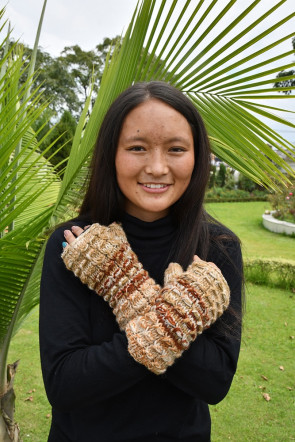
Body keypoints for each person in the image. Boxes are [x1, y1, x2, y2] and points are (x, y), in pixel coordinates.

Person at [40, 81, 243, 442]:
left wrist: (124, 286)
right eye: (137, 148)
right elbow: (65, 384)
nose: (157, 167)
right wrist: (175, 316)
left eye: (176, 149)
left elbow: (214, 383)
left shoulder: (219, 248)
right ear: (111, 154)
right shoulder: (75, 245)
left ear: (197, 156)